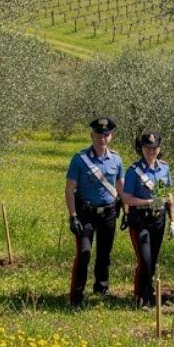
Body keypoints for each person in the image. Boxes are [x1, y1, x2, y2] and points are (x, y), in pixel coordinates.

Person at [65, 117, 124, 307]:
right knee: (84, 252)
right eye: (99, 134)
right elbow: (69, 189)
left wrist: (126, 209)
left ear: (111, 136)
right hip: (86, 213)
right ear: (92, 135)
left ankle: (101, 288)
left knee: (105, 254)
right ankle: (76, 295)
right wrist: (73, 216)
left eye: (106, 134)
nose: (102, 138)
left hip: (108, 213)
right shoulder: (80, 159)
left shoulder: (116, 159)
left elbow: (120, 185)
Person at [121, 131, 174, 308]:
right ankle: (139, 296)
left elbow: (168, 195)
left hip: (158, 219)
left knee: (153, 259)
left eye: (154, 148)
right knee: (144, 259)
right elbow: (126, 198)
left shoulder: (164, 168)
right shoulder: (133, 171)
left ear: (159, 149)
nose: (151, 151)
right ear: (142, 149)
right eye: (147, 148)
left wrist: (173, 221)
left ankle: (148, 294)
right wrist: (147, 202)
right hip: (140, 219)